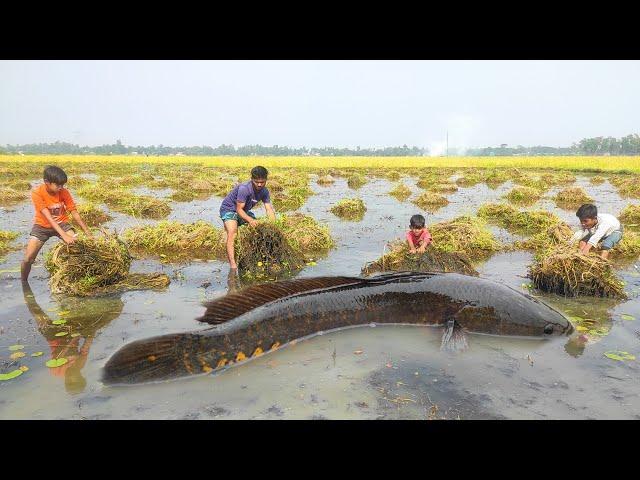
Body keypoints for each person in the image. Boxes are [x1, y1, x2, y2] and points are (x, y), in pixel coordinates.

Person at [21, 165, 93, 281]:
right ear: (46, 182)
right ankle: (24, 283)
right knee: (28, 258)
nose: (61, 187)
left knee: (77, 246)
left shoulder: (64, 192)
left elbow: (74, 212)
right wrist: (64, 236)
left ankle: (76, 277)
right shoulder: (37, 193)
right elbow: (48, 217)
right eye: (58, 185)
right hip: (42, 226)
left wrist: (88, 232)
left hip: (62, 223)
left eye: (62, 185)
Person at [219, 166, 276, 270]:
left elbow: (269, 209)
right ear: (252, 179)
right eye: (256, 182)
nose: (259, 184)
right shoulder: (244, 189)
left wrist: (273, 225)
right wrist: (250, 220)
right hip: (229, 209)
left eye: (262, 182)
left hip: (244, 211)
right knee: (233, 231)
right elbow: (238, 209)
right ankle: (233, 265)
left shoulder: (265, 191)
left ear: (266, 180)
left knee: (257, 228)